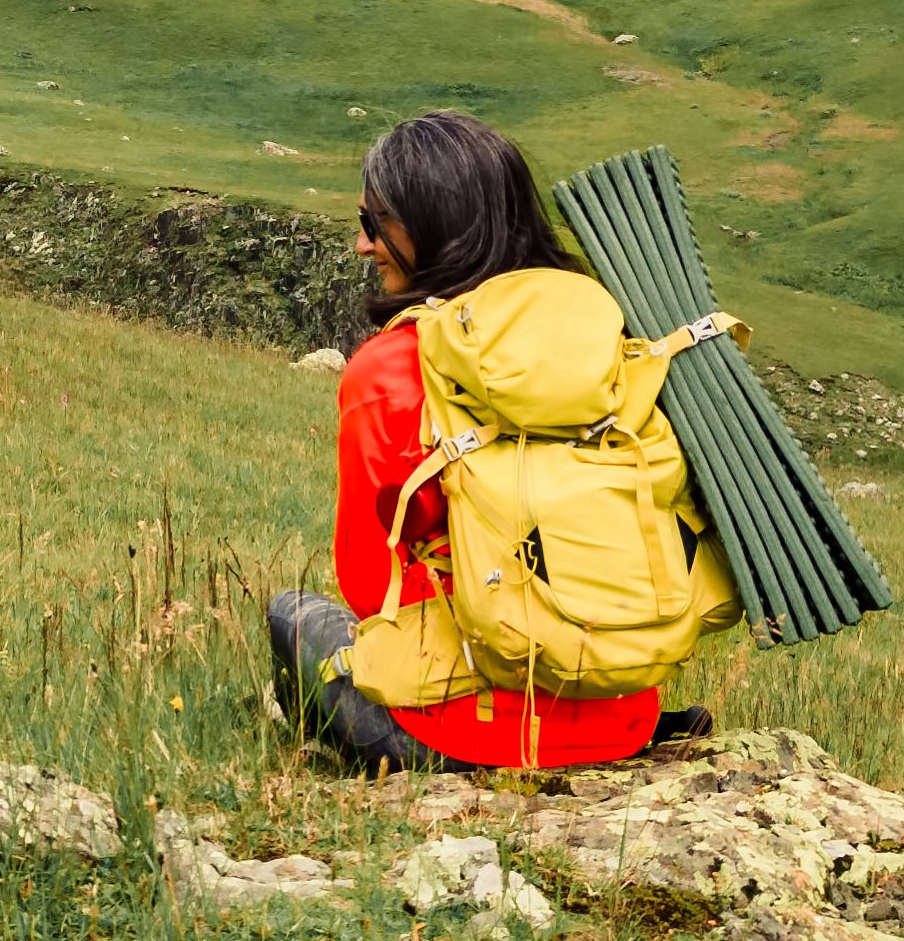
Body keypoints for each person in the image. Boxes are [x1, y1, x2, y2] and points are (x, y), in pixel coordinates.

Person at [268, 109, 712, 772]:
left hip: (462, 738)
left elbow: (366, 581)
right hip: (622, 716)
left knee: (293, 615)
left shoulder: (390, 370)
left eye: (374, 225)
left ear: (431, 227)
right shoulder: (608, 342)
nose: (363, 245)